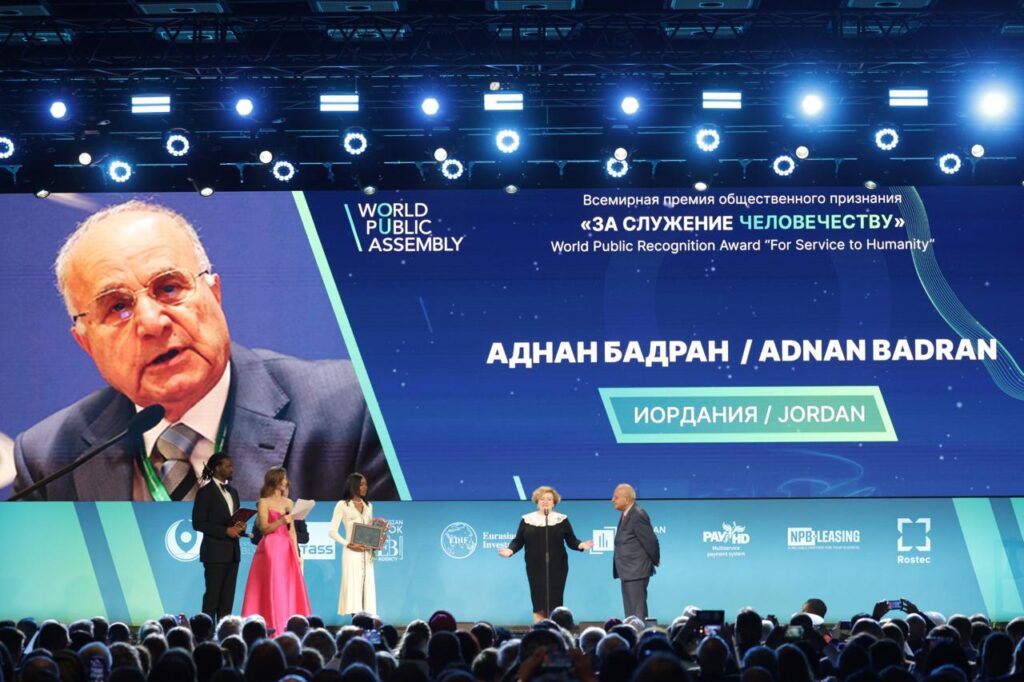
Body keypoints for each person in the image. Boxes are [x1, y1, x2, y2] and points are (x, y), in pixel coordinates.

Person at [12, 199, 397, 502]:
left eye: (169, 288)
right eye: (117, 307)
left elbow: (386, 558)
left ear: (215, 294)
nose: (152, 323)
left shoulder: (352, 411)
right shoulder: (49, 458)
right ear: (85, 343)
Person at [498, 485, 593, 623]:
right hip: (535, 567)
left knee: (555, 601)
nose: (545, 501)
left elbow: (571, 540)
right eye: (542, 499)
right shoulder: (527, 519)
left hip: (557, 567)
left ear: (554, 502)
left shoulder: (561, 519)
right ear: (537, 502)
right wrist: (510, 550)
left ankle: (555, 630)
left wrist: (581, 545)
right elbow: (518, 541)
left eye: (549, 499)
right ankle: (540, 631)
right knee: (538, 603)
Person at [241, 467, 311, 635]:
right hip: (271, 548)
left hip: (287, 548)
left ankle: (289, 624)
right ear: (275, 480)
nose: (286, 481)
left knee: (288, 587)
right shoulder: (263, 502)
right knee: (274, 585)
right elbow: (264, 529)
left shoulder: (289, 503)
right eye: (283, 478)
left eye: (286, 478)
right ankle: (272, 624)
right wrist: (281, 521)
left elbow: (292, 531)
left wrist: (297, 554)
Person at [191, 453, 245, 623]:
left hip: (233, 552)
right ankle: (205, 633)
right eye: (228, 466)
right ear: (217, 468)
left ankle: (225, 631)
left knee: (227, 599)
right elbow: (198, 523)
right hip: (214, 553)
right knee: (212, 598)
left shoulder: (233, 492)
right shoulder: (204, 492)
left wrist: (240, 527)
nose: (232, 469)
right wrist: (225, 531)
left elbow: (233, 520)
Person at [328, 472, 380, 615]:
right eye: (362, 484)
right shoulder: (343, 505)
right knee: (353, 589)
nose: (365, 487)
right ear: (354, 485)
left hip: (367, 554)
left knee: (366, 589)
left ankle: (366, 622)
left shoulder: (369, 506)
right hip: (351, 554)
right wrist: (348, 544)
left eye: (366, 484)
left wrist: (377, 540)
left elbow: (370, 530)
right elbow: (332, 531)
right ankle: (355, 622)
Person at [611, 483, 660, 620]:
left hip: (636, 571)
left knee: (638, 612)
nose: (612, 500)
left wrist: (655, 559)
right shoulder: (627, 514)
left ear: (626, 499)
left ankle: (640, 633)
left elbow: (651, 541)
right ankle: (632, 631)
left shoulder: (638, 515)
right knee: (630, 613)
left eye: (616, 497)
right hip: (628, 571)